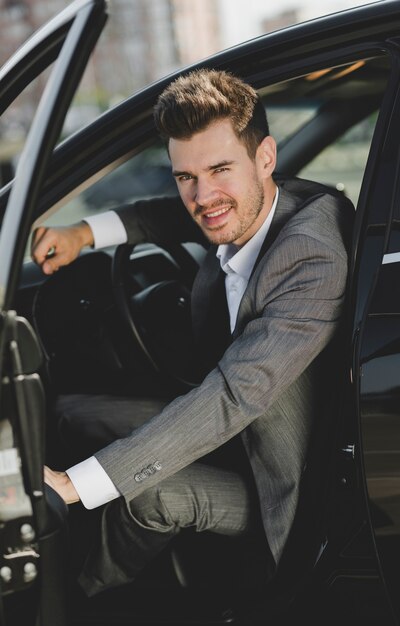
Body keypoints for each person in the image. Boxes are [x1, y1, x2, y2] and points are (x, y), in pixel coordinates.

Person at [33, 69, 353, 596]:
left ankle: (82, 594)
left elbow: (231, 396)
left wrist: (73, 486)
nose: (203, 195)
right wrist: (84, 231)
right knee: (71, 412)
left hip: (281, 480)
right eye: (185, 176)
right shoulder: (248, 204)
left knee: (148, 495)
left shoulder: (312, 254)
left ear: (265, 158)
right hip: (229, 434)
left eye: (220, 168)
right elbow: (179, 218)